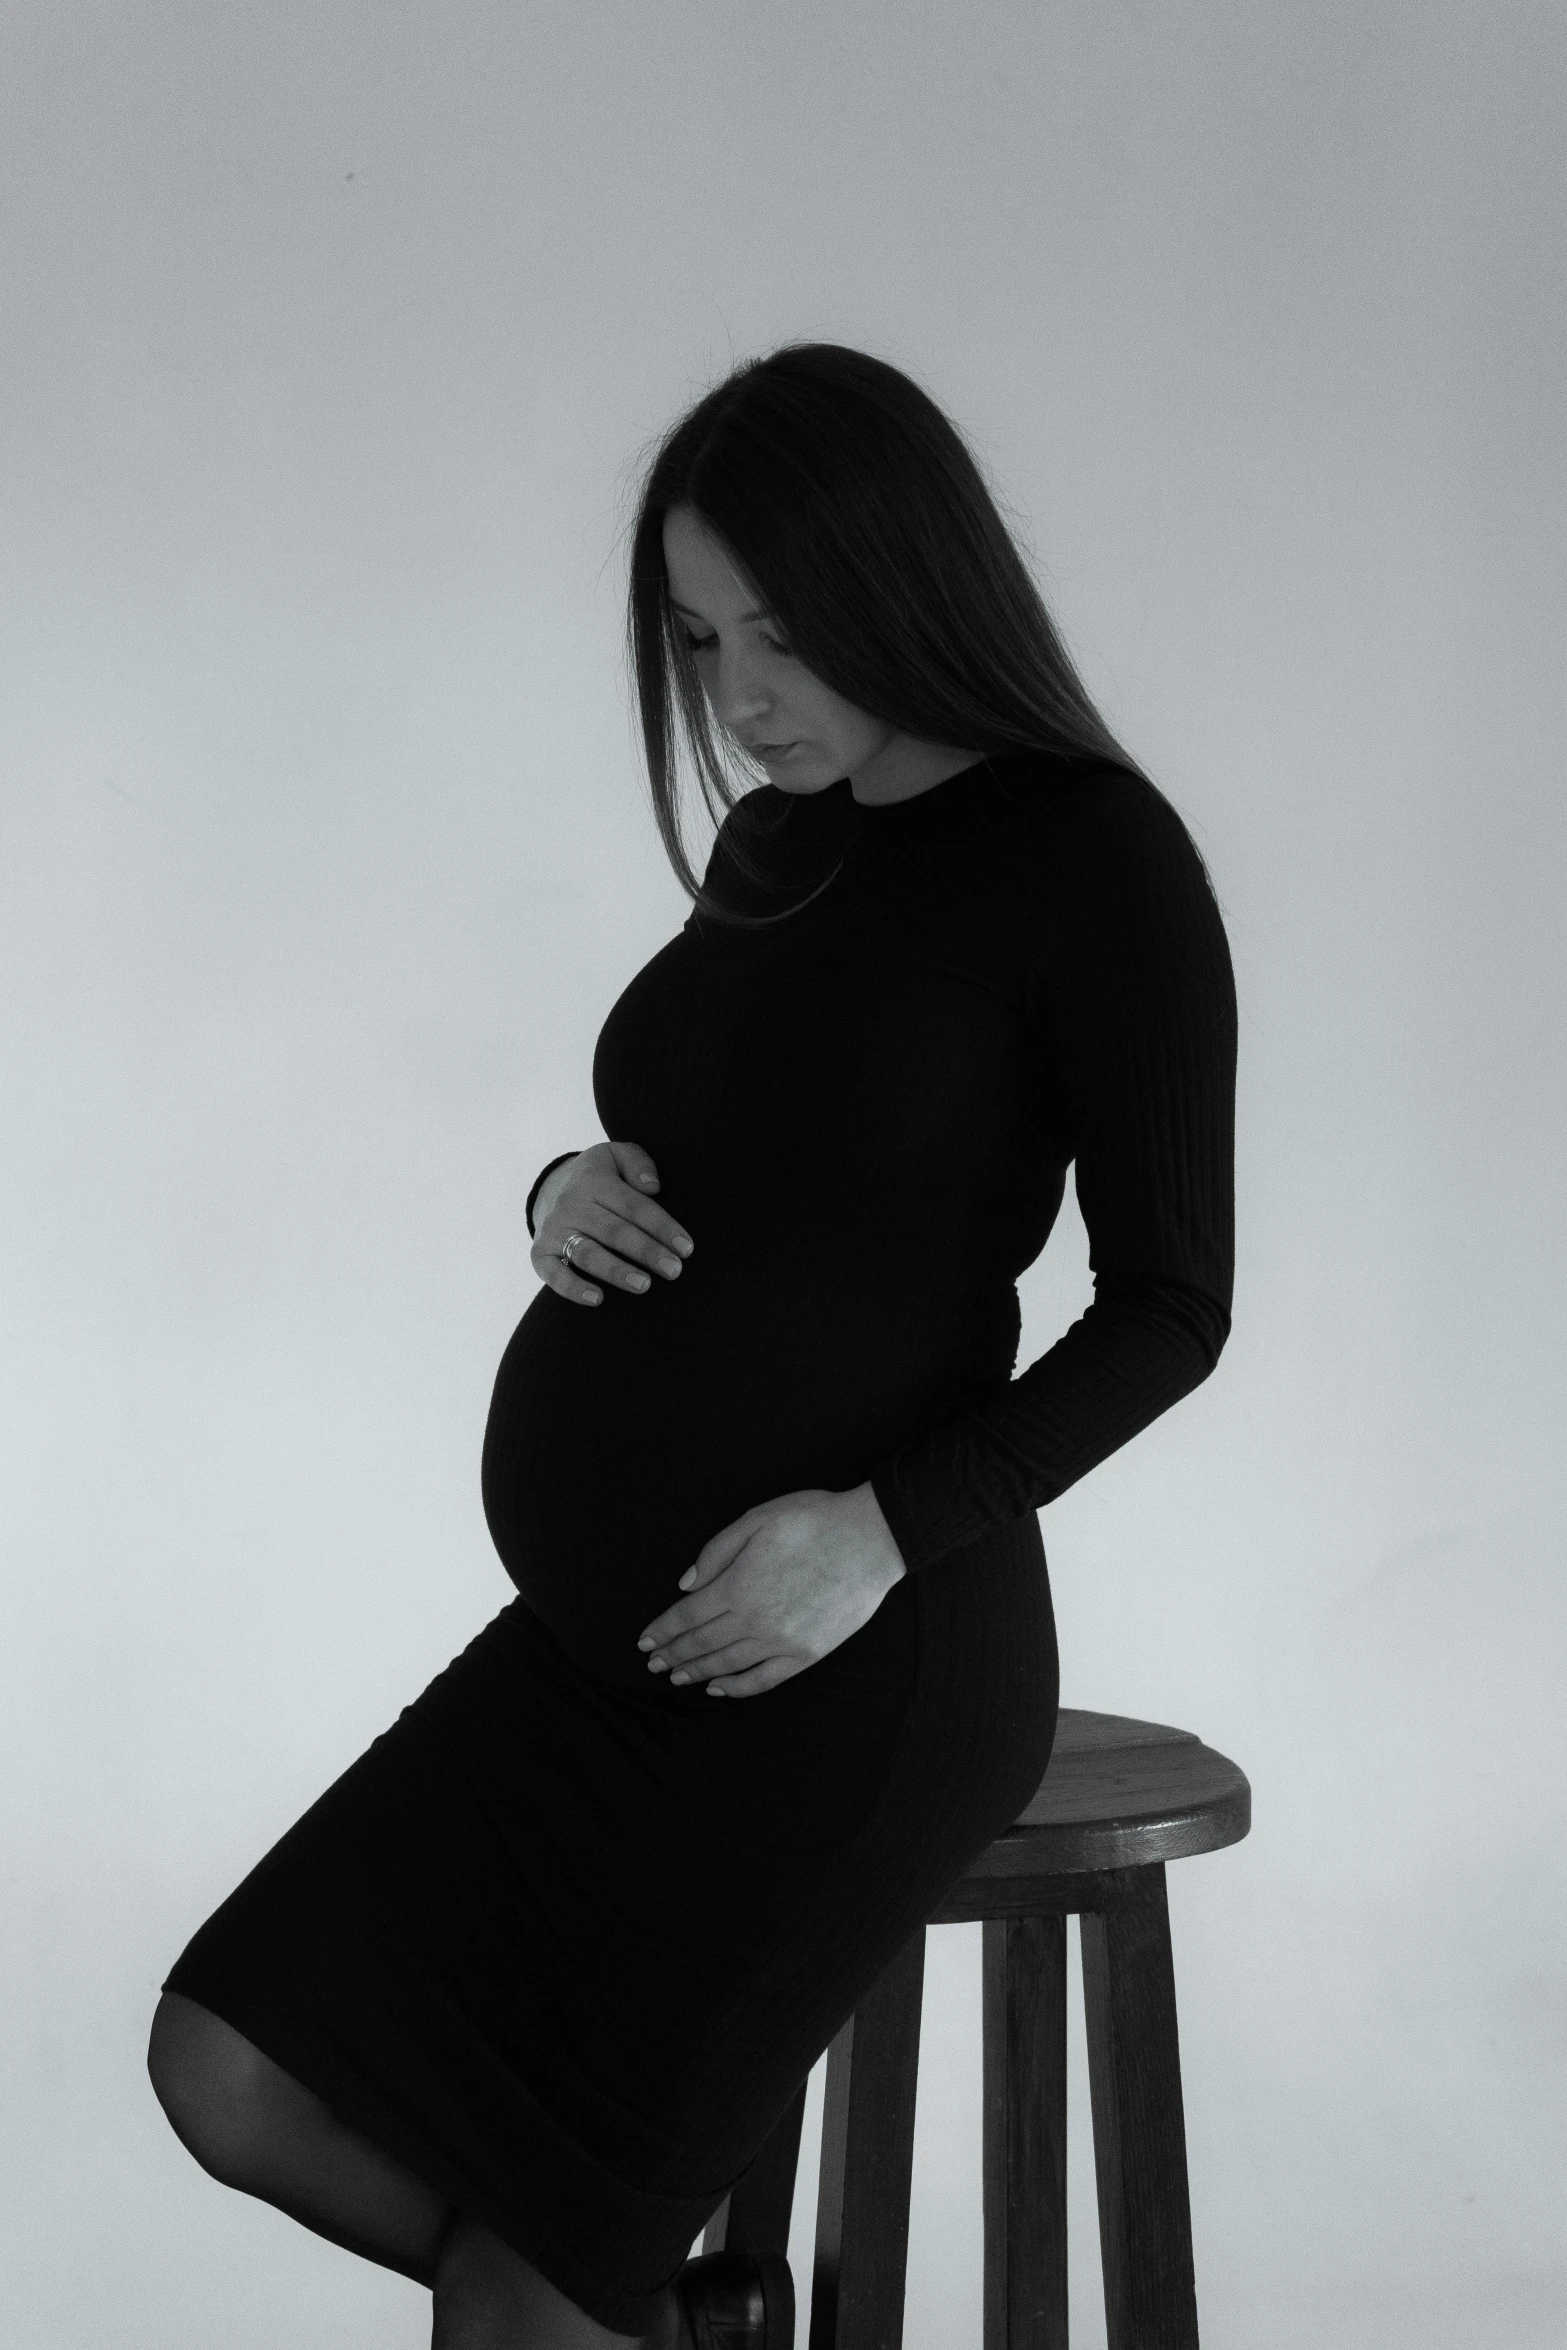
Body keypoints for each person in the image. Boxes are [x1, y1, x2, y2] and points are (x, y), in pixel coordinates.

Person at [146, 342, 1237, 2350]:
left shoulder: (1094, 855)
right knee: (227, 2060)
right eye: (700, 634)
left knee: (515, 2297)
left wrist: (883, 1529)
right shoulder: (775, 842)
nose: (739, 695)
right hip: (607, 1666)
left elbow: (1174, 1305)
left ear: (915, 585)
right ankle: (685, 2327)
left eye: (790, 632)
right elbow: (740, 1144)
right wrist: (561, 1185)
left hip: (850, 1682)